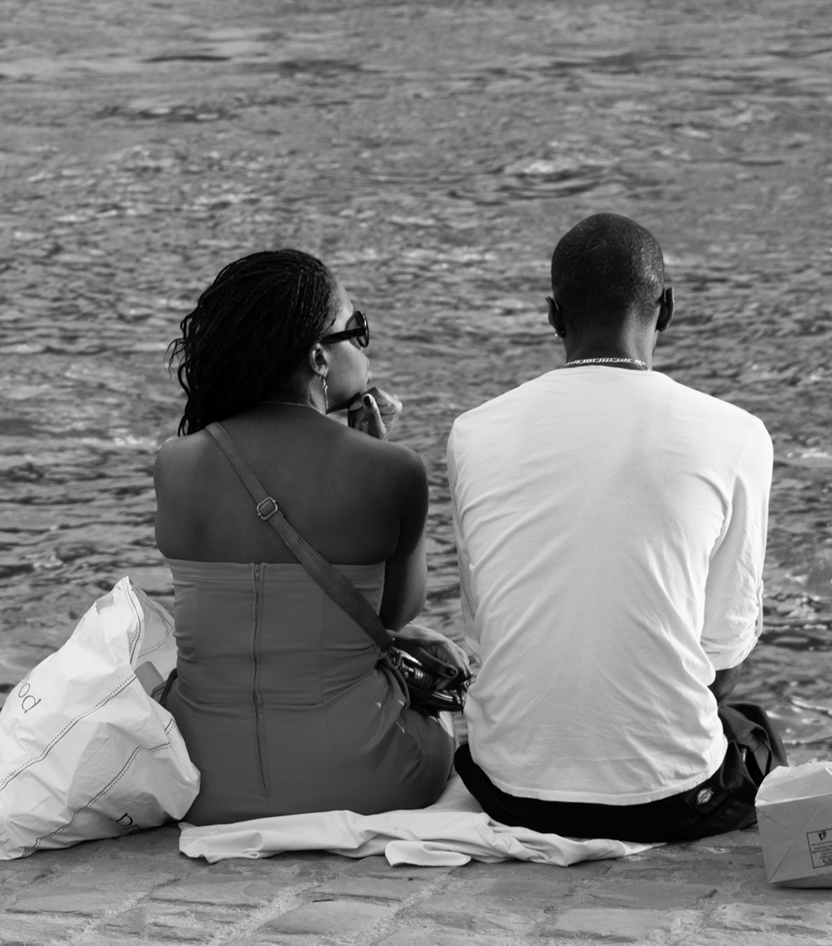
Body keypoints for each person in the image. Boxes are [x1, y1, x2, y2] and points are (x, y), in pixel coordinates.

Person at [445, 212, 782, 843]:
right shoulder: (735, 433)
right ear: (669, 308)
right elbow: (723, 654)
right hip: (669, 799)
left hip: (508, 788)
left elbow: (486, 631)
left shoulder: (474, 431)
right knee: (754, 729)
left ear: (552, 315)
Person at [153, 249, 461, 825]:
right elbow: (395, 613)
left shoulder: (175, 464)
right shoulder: (393, 471)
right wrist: (378, 447)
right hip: (365, 777)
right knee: (438, 691)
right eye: (357, 330)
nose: (365, 346)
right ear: (319, 357)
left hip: (200, 780)